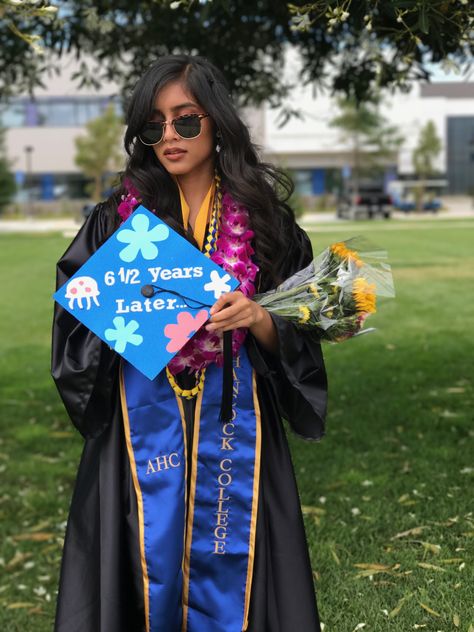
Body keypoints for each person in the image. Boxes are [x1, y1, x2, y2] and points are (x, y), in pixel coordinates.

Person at [51, 54, 328, 632]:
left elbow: (301, 332)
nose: (169, 137)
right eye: (153, 125)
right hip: (138, 425)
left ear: (218, 122)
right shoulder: (116, 223)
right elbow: (76, 330)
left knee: (236, 554)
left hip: (237, 419)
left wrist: (257, 317)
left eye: (186, 120)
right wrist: (128, 315)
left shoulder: (264, 221)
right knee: (140, 561)